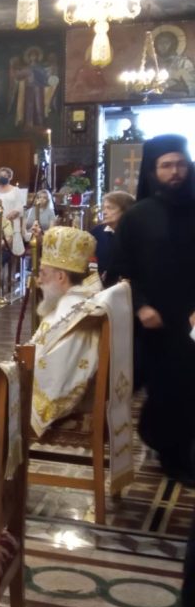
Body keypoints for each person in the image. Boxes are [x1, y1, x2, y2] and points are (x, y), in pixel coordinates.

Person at [109, 134, 195, 481]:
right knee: (167, 388)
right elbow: (120, 271)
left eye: (181, 164)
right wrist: (141, 306)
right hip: (153, 323)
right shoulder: (137, 217)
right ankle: (173, 455)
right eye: (166, 165)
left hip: (192, 320)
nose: (175, 172)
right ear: (153, 171)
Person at [29, 227, 134, 489]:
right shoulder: (79, 301)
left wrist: (8, 379)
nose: (38, 281)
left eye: (43, 273)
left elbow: (57, 378)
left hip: (57, 402)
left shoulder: (75, 317)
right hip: (50, 387)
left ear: (61, 276)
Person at [90, 191, 133, 284]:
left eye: (110, 208)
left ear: (125, 211)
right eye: (104, 208)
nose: (104, 212)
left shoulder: (134, 235)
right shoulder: (96, 232)